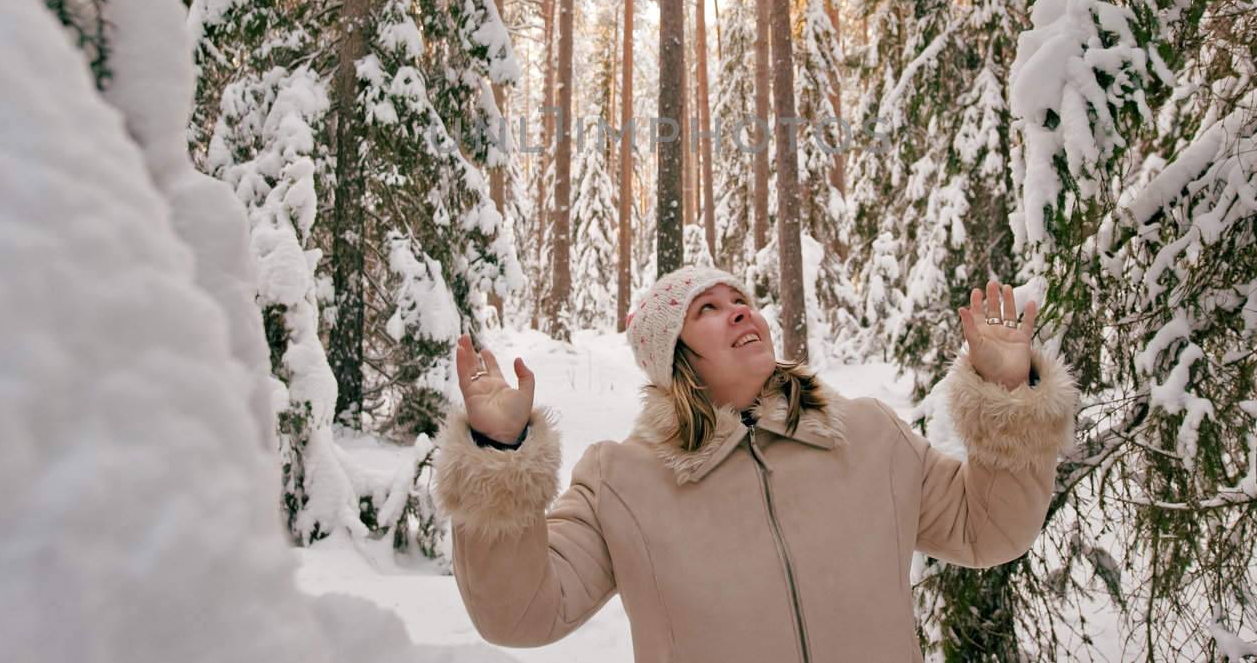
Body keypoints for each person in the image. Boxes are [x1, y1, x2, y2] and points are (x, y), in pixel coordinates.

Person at [433, 265, 1079, 663]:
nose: (739, 309)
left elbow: (989, 530)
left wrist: (1009, 393)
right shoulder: (622, 480)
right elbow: (520, 616)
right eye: (705, 309)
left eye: (739, 298)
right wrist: (498, 454)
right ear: (672, 356)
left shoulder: (866, 434)